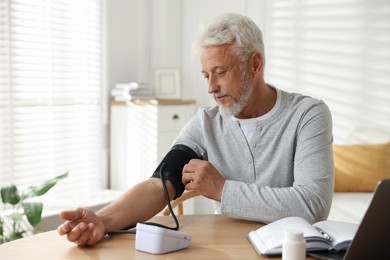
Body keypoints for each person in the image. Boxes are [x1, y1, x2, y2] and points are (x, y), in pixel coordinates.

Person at [58, 13, 334, 246]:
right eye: (205, 75)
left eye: (220, 72)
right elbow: (160, 184)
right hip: (230, 249)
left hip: (295, 250)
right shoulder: (206, 124)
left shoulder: (307, 115)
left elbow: (311, 205)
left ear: (255, 64)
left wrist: (222, 190)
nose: (210, 87)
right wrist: (103, 220)